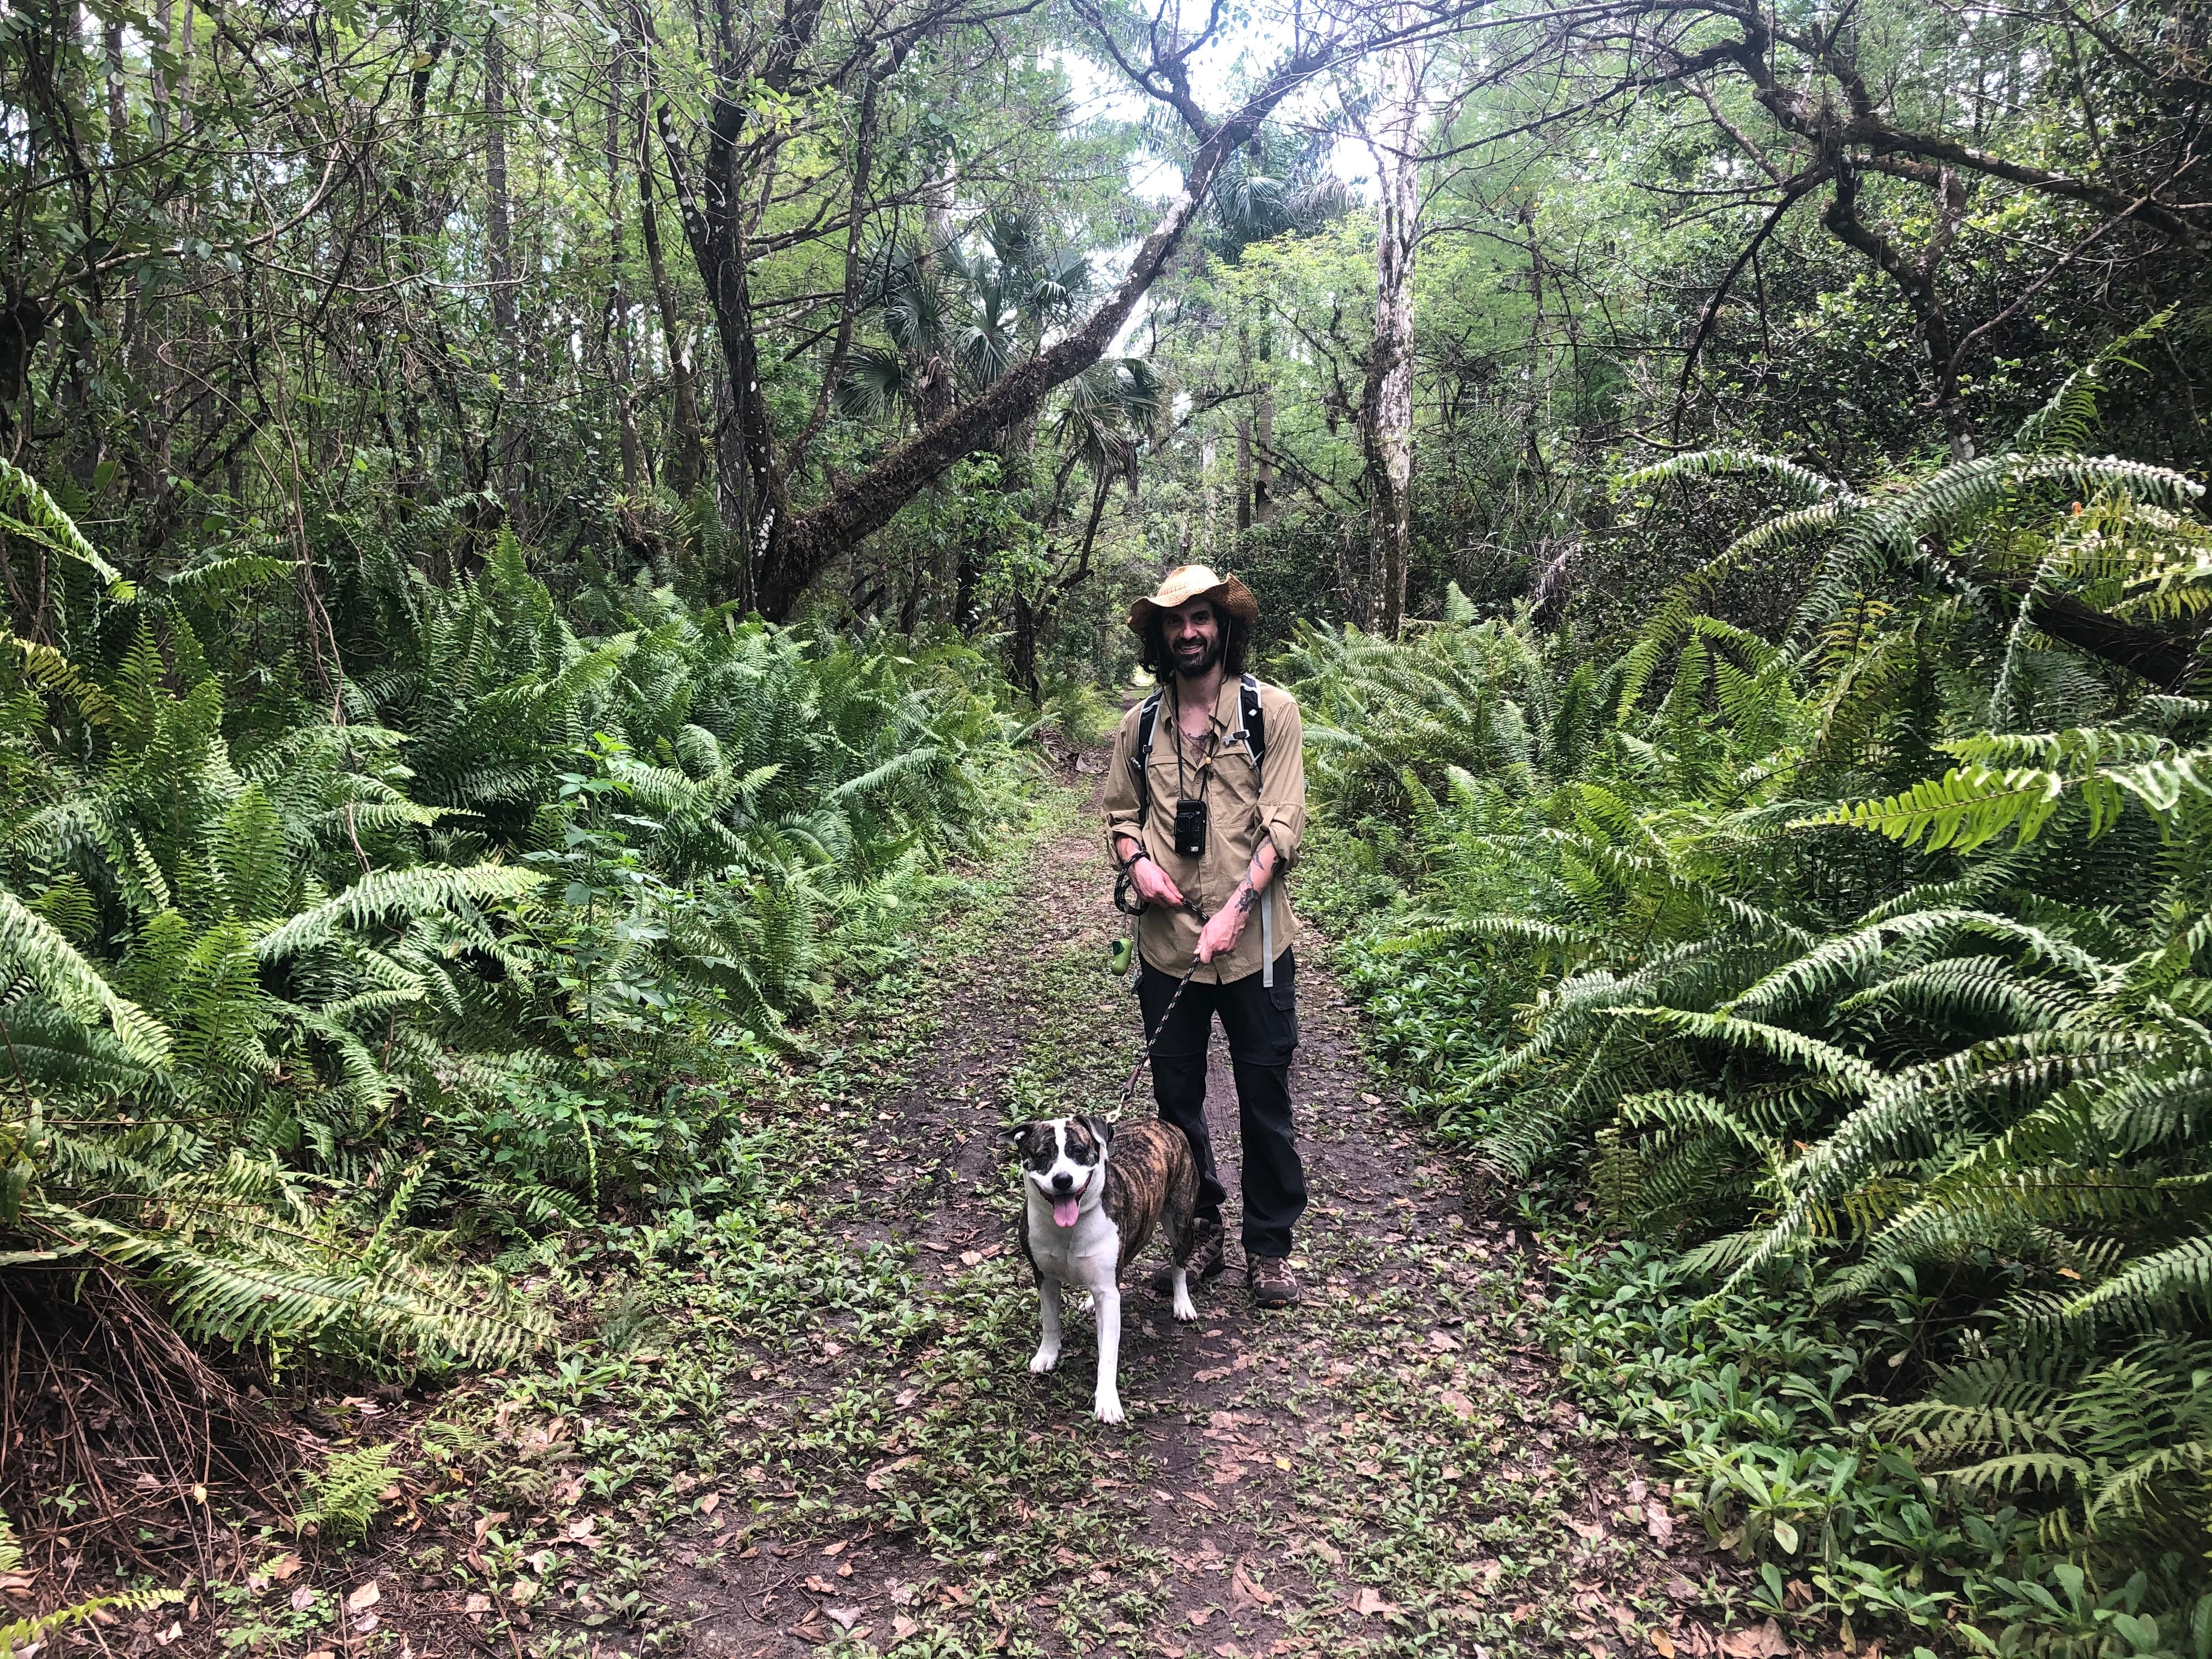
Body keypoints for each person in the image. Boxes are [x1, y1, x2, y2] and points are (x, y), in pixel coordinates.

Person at [1101, 566, 1309, 1309]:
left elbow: (1283, 826)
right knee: (1177, 1102)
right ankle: (1204, 1226)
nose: (1189, 633)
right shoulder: (1141, 726)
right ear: (1160, 636)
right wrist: (1139, 867)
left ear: (1224, 627)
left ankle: (1270, 1247)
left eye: (1201, 619)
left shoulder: (1271, 713)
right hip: (1166, 948)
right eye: (1175, 622)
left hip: (1253, 949)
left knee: (1264, 1094)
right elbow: (1121, 816)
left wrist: (1235, 911)